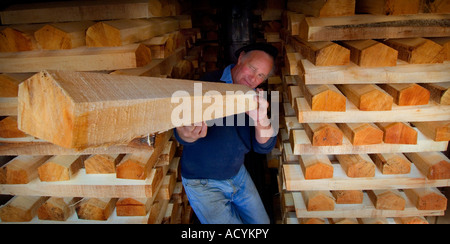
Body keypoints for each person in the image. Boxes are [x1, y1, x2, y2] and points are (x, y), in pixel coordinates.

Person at [174, 43, 278, 224]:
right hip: (203, 182)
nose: (253, 78)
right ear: (240, 58)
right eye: (252, 68)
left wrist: (261, 119)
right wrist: (188, 133)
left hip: (238, 175)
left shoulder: (258, 97)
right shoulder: (205, 83)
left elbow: (265, 146)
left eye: (261, 75)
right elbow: (181, 133)